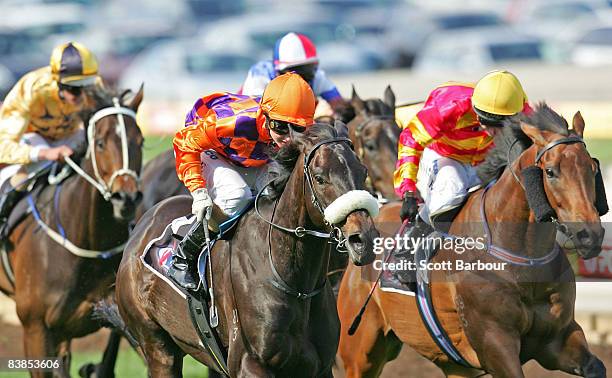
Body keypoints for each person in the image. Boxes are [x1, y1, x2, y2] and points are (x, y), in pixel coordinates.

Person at [170, 72, 316, 289]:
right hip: (205, 149)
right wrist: (198, 191)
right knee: (236, 195)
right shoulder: (232, 122)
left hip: (249, 158)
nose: (290, 137)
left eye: (299, 128)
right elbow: (184, 142)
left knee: (275, 194)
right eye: (281, 126)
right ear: (265, 117)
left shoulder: (286, 129)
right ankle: (183, 257)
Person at [393, 70, 531, 283]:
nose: (493, 131)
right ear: (476, 110)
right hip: (445, 154)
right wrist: (408, 190)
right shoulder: (449, 108)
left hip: (487, 158)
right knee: (451, 190)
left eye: (502, 125)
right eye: (488, 122)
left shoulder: (523, 110)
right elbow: (411, 139)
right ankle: (408, 247)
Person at [0, 41, 101, 233]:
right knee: (37, 168)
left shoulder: (95, 85)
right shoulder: (30, 89)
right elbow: (3, 147)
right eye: (74, 89)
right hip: (36, 140)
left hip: (74, 137)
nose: (83, 95)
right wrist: (46, 153)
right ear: (58, 81)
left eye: (87, 87)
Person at [240, 32, 348, 116]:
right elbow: (257, 116)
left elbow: (341, 105)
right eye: (295, 72)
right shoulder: (260, 75)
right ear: (278, 71)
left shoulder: (317, 76)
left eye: (307, 70)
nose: (300, 80)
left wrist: (334, 113)